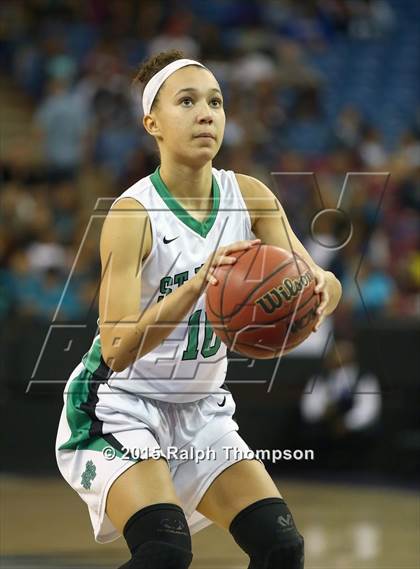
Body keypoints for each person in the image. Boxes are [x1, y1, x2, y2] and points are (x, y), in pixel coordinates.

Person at [55, 50, 342, 569]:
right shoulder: (132, 213)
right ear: (153, 123)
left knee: (282, 549)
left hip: (202, 411)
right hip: (118, 406)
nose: (206, 113)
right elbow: (117, 348)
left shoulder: (250, 196)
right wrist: (194, 287)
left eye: (215, 101)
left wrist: (319, 289)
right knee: (165, 551)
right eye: (186, 101)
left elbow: (320, 282)